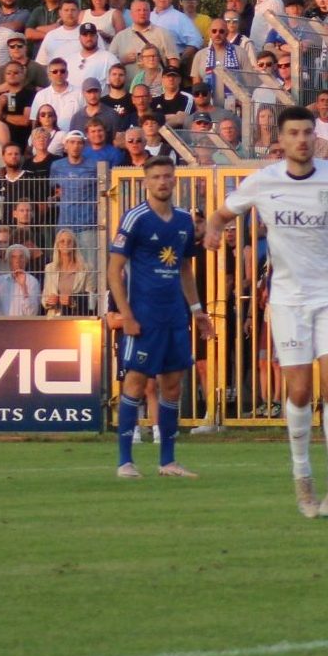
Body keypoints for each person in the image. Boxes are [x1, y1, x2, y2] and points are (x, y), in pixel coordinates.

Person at [204, 106, 328, 519]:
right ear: (283, 140)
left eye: (308, 132)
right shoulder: (263, 181)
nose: (303, 139)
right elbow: (220, 214)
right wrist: (215, 230)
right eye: (294, 133)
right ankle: (302, 475)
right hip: (286, 299)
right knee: (300, 391)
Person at [107, 157, 211, 479]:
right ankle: (125, 462)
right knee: (136, 383)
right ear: (146, 181)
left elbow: (184, 269)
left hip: (174, 317)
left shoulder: (183, 220)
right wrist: (126, 315)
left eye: (167, 176)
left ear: (174, 179)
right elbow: (114, 270)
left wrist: (197, 311)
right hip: (144, 317)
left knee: (172, 387)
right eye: (156, 177)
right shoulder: (135, 218)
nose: (163, 181)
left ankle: (167, 462)